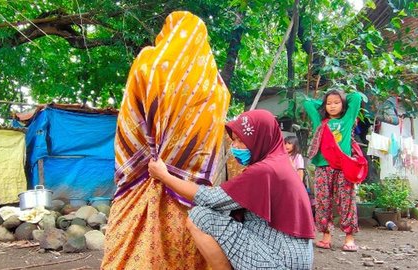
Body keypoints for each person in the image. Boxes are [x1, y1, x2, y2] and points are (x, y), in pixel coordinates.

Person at [101, 11, 230, 269]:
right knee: (188, 243)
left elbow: (131, 120)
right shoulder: (216, 87)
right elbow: (212, 139)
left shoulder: (148, 63)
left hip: (144, 174)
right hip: (190, 184)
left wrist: (153, 157)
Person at [148, 109, 315, 270]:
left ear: (261, 138)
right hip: (292, 255)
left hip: (280, 260)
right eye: (234, 139)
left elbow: (209, 198)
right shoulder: (279, 162)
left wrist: (164, 176)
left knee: (200, 216)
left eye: (241, 140)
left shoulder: (265, 170)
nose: (235, 146)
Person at [303, 89, 364, 252]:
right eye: (329, 103)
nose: (332, 106)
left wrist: (341, 97)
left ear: (343, 104)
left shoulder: (347, 119)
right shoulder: (320, 122)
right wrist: (322, 102)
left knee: (347, 202)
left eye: (337, 103)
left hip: (343, 167)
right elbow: (307, 103)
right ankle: (326, 236)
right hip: (323, 167)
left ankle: (349, 237)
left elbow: (356, 97)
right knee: (323, 202)